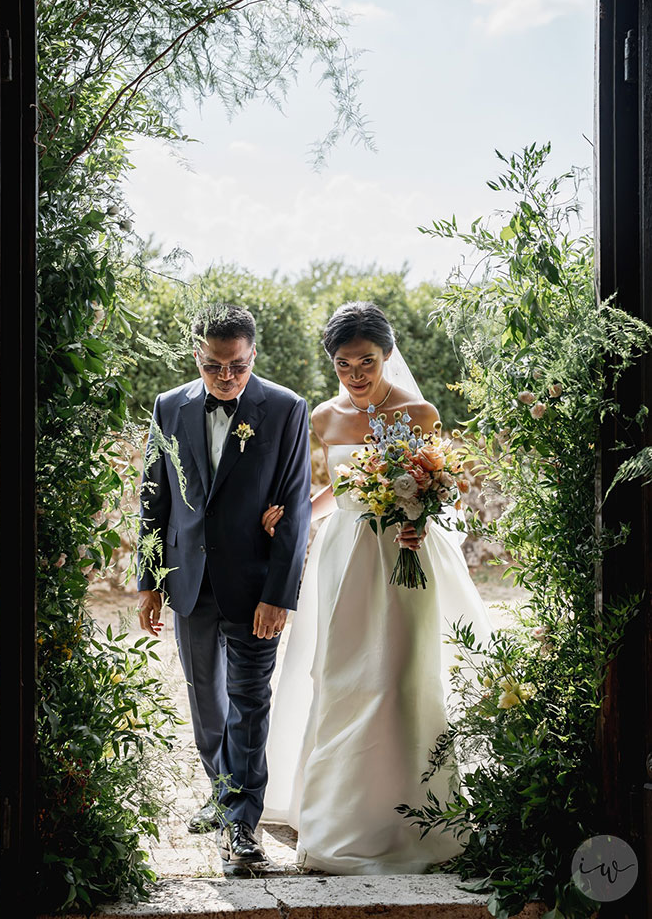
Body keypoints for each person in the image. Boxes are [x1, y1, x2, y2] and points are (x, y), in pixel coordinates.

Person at [260, 301, 495, 874]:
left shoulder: (419, 412)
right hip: (344, 559)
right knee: (341, 677)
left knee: (401, 675)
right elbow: (335, 490)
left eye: (367, 361)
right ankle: (340, 817)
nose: (356, 374)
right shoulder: (322, 418)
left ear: (388, 355)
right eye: (344, 364)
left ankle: (411, 817)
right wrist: (289, 514)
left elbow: (442, 489)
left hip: (404, 554)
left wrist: (421, 517)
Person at [136, 303, 312, 872]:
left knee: (249, 701)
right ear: (197, 356)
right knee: (205, 698)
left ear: (252, 355)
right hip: (188, 581)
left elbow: (296, 510)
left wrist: (279, 594)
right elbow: (153, 498)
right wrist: (149, 581)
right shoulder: (169, 407)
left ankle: (242, 821)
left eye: (236, 365)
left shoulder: (285, 409)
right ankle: (221, 792)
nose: (226, 377)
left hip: (255, 584)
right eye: (214, 366)